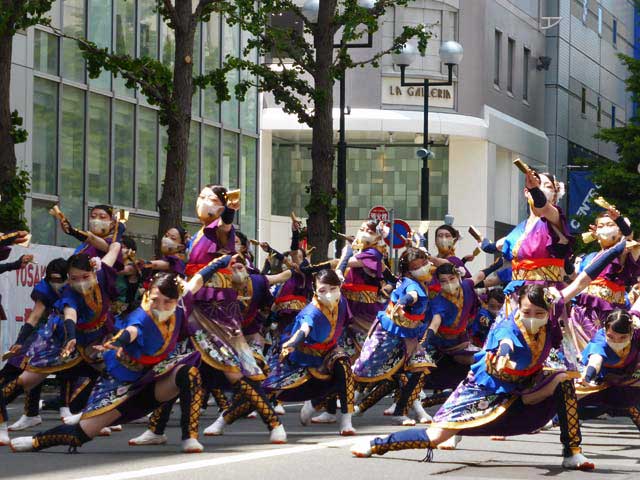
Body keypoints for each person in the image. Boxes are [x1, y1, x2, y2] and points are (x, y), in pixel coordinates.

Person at [351, 240, 627, 471]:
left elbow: (580, 282)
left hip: (527, 384)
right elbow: (505, 342)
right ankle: (377, 444)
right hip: (487, 387)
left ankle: (572, 452)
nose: (532, 318)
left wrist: (614, 250)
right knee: (436, 436)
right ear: (518, 306)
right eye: (527, 312)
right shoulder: (507, 325)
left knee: (563, 379)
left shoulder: (552, 305)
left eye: (539, 315)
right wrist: (505, 351)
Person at [8, 268, 223, 454]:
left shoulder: (180, 304)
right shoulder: (140, 318)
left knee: (189, 373)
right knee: (81, 434)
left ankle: (189, 437)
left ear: (176, 300)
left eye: (167, 302)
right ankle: (36, 441)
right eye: (155, 299)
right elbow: (130, 332)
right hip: (122, 384)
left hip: (153, 379)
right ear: (147, 295)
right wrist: (117, 342)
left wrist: (225, 260)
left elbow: (199, 278)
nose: (160, 305)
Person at [0, 241, 121, 445]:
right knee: (26, 381)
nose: (80, 282)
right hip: (62, 340)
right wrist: (71, 336)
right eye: (74, 279)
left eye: (85, 277)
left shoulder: (102, 273)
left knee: (114, 371)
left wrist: (113, 240)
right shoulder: (69, 293)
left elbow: (114, 248)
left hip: (97, 340)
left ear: (93, 271)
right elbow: (69, 315)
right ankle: (2, 424)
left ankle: (91, 415)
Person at [260, 269, 356, 435]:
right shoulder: (311, 311)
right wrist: (294, 342)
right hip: (303, 356)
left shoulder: (342, 302)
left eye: (333, 289)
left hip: (329, 351)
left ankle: (346, 422)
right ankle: (223, 420)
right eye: (322, 290)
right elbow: (304, 329)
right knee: (267, 389)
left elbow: (346, 323)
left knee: (344, 367)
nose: (329, 294)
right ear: (315, 291)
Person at [352, 247, 434, 425]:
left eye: (424, 263)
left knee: (419, 368)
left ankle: (400, 411)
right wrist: (404, 301)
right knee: (364, 368)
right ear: (409, 271)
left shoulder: (420, 282)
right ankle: (329, 400)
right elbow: (411, 296)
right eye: (417, 266)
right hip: (388, 334)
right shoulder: (412, 284)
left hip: (410, 335)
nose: (424, 267)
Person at [2, 258, 68, 432]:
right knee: (22, 367)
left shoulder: (77, 287)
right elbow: (35, 316)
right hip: (46, 335)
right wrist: (20, 341)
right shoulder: (45, 289)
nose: (56, 283)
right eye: (52, 279)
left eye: (59, 279)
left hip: (76, 335)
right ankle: (31, 414)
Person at [567, 207, 639, 351]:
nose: (605, 229)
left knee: (603, 352)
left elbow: (629, 236)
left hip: (608, 313)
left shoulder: (623, 250)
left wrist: (619, 220)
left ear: (619, 231)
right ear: (595, 232)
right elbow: (575, 279)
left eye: (610, 225)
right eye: (601, 226)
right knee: (581, 355)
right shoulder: (589, 257)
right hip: (581, 311)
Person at [576, 309, 640, 429]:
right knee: (573, 401)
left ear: (631, 333)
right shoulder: (600, 339)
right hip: (603, 384)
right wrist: (587, 376)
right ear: (605, 331)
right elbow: (595, 360)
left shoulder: (637, 336)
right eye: (611, 336)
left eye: (622, 338)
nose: (616, 341)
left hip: (630, 381)